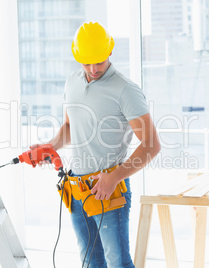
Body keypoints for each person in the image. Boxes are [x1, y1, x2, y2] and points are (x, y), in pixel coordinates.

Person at [34, 21, 160, 268]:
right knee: (90, 261)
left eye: (99, 62)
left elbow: (151, 144)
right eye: (86, 62)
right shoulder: (72, 82)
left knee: (118, 263)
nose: (92, 69)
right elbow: (70, 127)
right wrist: (50, 146)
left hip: (109, 190)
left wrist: (114, 176)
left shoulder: (125, 90)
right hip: (76, 189)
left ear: (110, 51)